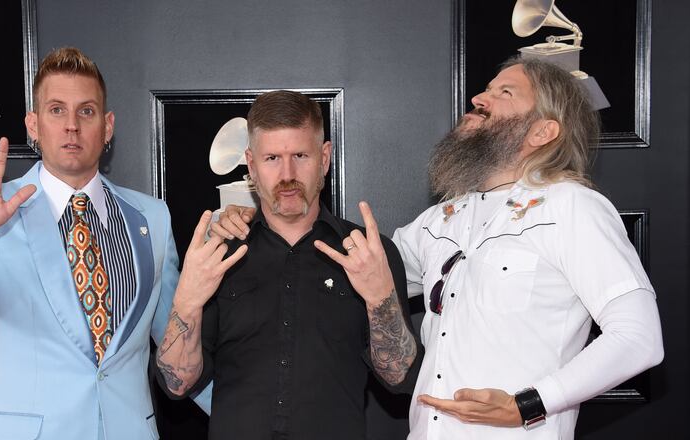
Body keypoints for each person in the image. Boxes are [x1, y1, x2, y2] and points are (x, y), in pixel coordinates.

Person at [212, 58, 664, 439]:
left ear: (543, 131)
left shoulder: (573, 207)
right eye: (486, 88)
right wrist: (252, 219)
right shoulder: (441, 220)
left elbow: (639, 339)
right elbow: (326, 260)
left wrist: (529, 404)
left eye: (504, 93)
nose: (479, 99)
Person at [0, 47, 207, 439]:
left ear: (108, 125)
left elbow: (174, 335)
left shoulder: (152, 217)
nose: (72, 126)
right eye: (56, 110)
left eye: (86, 111)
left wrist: (255, 414)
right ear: (33, 125)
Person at [156, 90, 423, 440]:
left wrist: (379, 299)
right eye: (271, 158)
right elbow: (176, 384)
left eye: (300, 155)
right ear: (251, 165)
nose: (287, 174)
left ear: (325, 157)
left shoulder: (370, 253)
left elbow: (400, 378)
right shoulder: (218, 255)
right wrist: (186, 302)